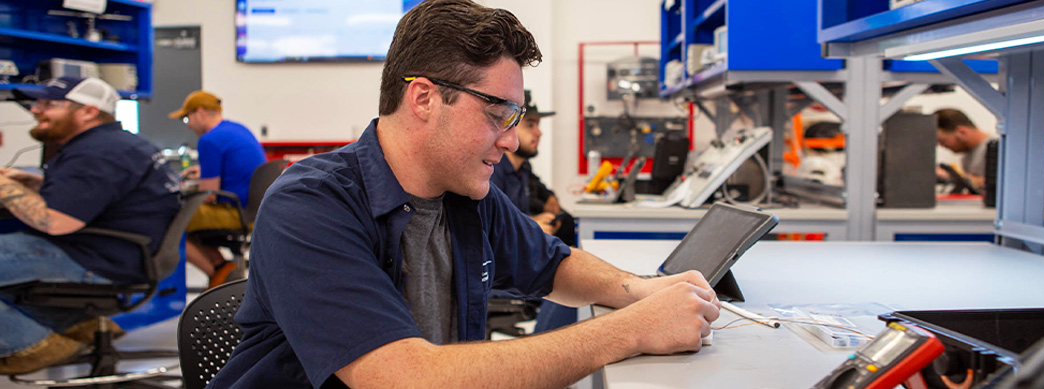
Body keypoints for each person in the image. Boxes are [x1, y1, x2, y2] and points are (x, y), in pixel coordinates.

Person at [208, 1, 720, 387]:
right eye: (498, 114)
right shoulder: (310, 205)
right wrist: (630, 330)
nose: (512, 139)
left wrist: (642, 291)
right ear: (426, 98)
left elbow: (554, 266)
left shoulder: (466, 195)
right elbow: (401, 377)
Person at [0, 77, 180, 374]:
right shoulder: (118, 144)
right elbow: (106, 193)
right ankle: (72, 327)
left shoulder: (98, 152)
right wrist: (40, 182)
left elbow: (55, 222)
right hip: (120, 254)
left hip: (93, 257)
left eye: (49, 104)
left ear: (88, 111)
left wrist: (5, 185)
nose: (36, 110)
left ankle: (29, 346)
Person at [489, 90, 579, 334]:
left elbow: (544, 196)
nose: (538, 132)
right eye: (530, 125)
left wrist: (548, 203)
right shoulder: (491, 174)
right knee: (574, 289)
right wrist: (530, 225)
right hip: (503, 275)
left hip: (524, 260)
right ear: (507, 126)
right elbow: (486, 232)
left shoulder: (522, 170)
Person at [168, 91, 266, 288]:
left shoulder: (209, 140)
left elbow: (208, 195)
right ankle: (223, 267)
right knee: (189, 224)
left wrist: (191, 187)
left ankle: (218, 274)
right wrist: (204, 172)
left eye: (187, 118)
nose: (188, 125)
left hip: (234, 212)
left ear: (200, 112)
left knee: (169, 223)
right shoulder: (237, 129)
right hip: (253, 211)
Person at [934, 108, 991, 188]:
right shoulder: (967, 155)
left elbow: (999, 184)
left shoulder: (996, 149)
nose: (941, 146)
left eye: (942, 140)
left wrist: (951, 177)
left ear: (962, 132)